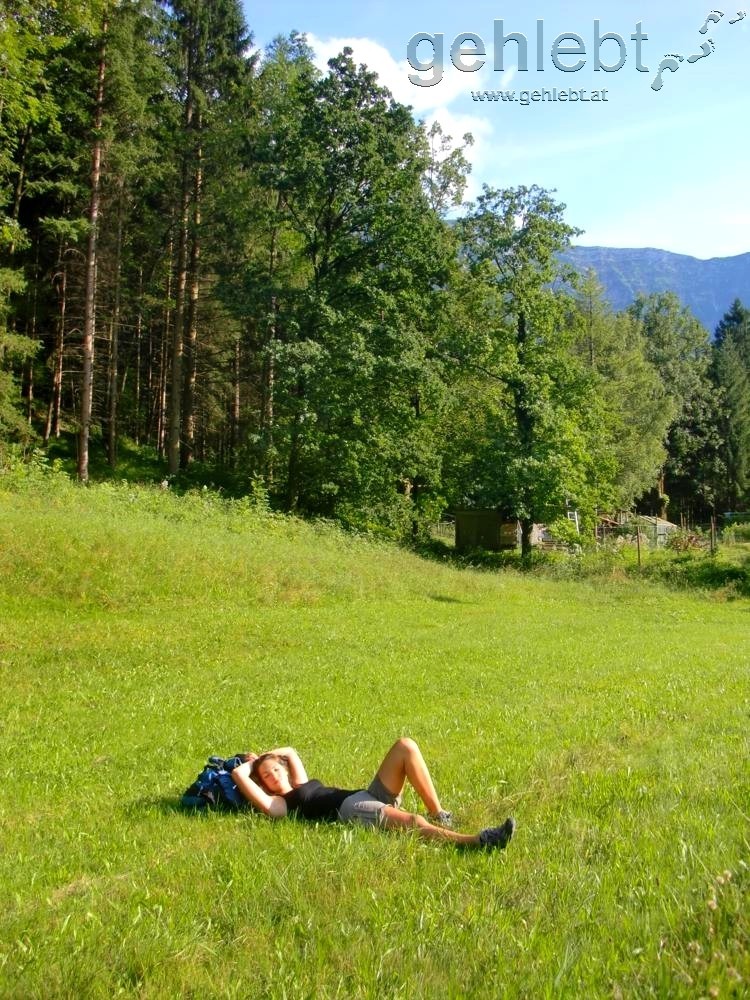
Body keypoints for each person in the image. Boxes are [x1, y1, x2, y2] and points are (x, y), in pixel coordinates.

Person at [230, 737, 515, 850]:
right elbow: (237, 775)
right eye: (267, 777)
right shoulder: (280, 804)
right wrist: (254, 765)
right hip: (350, 810)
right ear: (263, 784)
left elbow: (290, 752)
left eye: (276, 770)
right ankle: (479, 841)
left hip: (364, 795)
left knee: (405, 746)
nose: (274, 776)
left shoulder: (299, 783)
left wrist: (267, 755)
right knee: (411, 822)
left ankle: (440, 815)